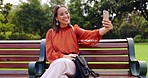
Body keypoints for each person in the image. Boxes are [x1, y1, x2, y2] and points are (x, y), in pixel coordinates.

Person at [41, 5, 113, 78]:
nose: (65, 16)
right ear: (56, 18)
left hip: (73, 64)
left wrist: (106, 28)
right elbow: (50, 54)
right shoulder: (50, 33)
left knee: (61, 62)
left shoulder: (74, 30)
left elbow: (91, 34)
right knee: (62, 76)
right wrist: (64, 56)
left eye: (66, 13)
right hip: (58, 66)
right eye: (61, 14)